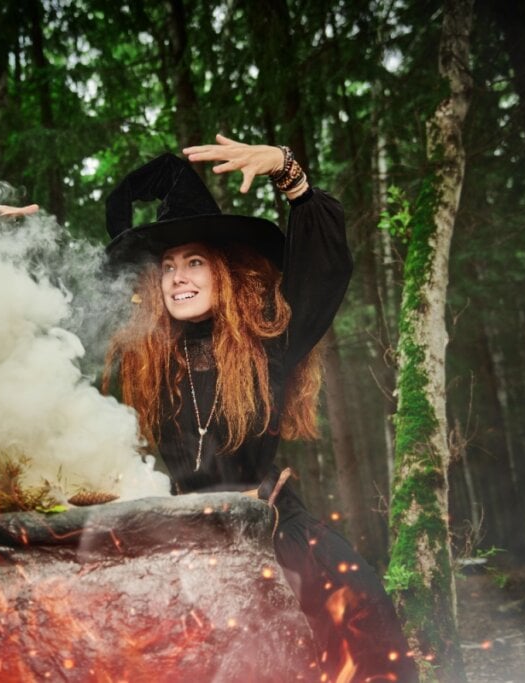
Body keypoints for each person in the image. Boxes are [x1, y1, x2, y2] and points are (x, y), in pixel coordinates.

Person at [102, 135, 418, 681]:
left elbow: (323, 271)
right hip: (176, 538)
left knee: (362, 611)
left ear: (224, 271)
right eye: (169, 265)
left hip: (274, 529)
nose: (177, 276)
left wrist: (288, 172)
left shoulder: (270, 340)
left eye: (195, 261)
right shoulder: (144, 357)